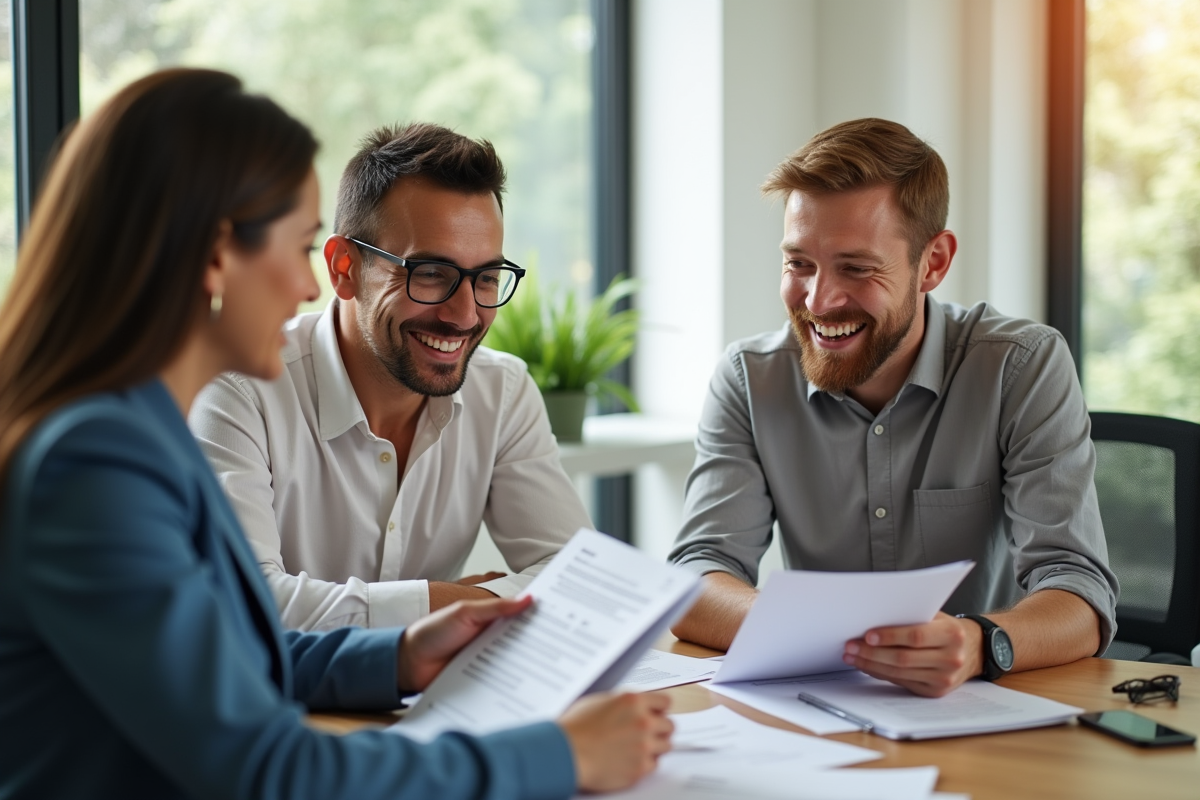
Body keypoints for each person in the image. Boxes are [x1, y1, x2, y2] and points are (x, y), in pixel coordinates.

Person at [0, 68, 671, 800]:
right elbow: (270, 769)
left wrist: (393, 657)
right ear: (219, 257)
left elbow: (218, 657)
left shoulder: (132, 429)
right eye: (297, 249)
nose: (307, 288)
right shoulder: (98, 463)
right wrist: (557, 757)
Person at [668, 118, 1119, 698]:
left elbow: (1080, 592)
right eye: (798, 263)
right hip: (820, 712)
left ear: (932, 263)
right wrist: (821, 637)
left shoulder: (1021, 365)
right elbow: (697, 575)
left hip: (981, 704)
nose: (819, 300)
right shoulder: (748, 378)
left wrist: (979, 642)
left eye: (856, 268)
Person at [189, 122, 590, 631]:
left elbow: (577, 579)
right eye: (430, 273)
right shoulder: (239, 389)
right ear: (343, 267)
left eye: (486, 278)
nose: (464, 314)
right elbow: (245, 605)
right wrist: (448, 601)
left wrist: (447, 604)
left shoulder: (503, 391)